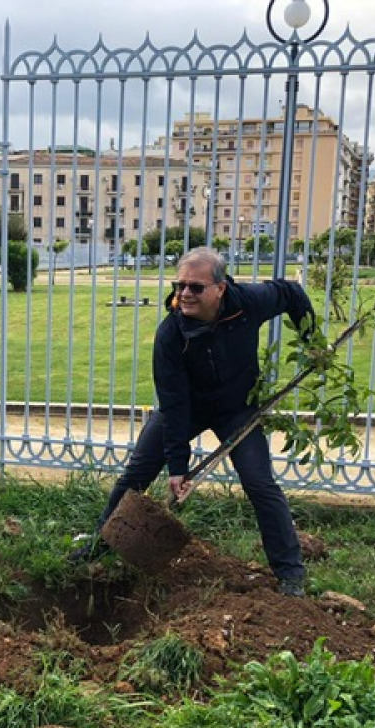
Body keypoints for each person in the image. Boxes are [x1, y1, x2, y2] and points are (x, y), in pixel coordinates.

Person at [74, 246, 315, 598]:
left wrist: (313, 343)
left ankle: (290, 572)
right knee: (137, 473)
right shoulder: (171, 334)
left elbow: (291, 292)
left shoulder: (248, 302)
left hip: (237, 409)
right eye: (180, 285)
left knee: (259, 483)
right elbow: (173, 404)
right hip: (187, 408)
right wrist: (178, 466)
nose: (185, 293)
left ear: (220, 288)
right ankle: (100, 543)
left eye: (195, 287)